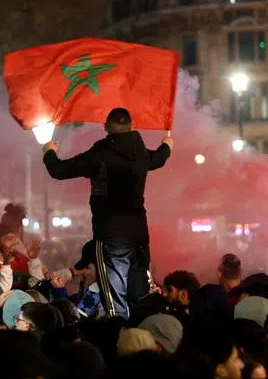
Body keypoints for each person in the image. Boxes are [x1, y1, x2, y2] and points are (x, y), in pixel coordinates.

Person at [42, 107, 172, 319]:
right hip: (138, 232)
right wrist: (167, 146)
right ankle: (142, 334)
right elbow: (158, 159)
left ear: (105, 127)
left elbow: (59, 170)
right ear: (132, 126)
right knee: (138, 292)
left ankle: (117, 338)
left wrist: (48, 151)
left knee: (114, 298)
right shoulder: (140, 153)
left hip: (110, 234)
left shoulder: (100, 154)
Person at [0, 222, 45, 295]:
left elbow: (37, 287)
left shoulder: (21, 260)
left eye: (14, 238)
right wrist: (6, 265)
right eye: (9, 239)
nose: (14, 242)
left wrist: (34, 259)